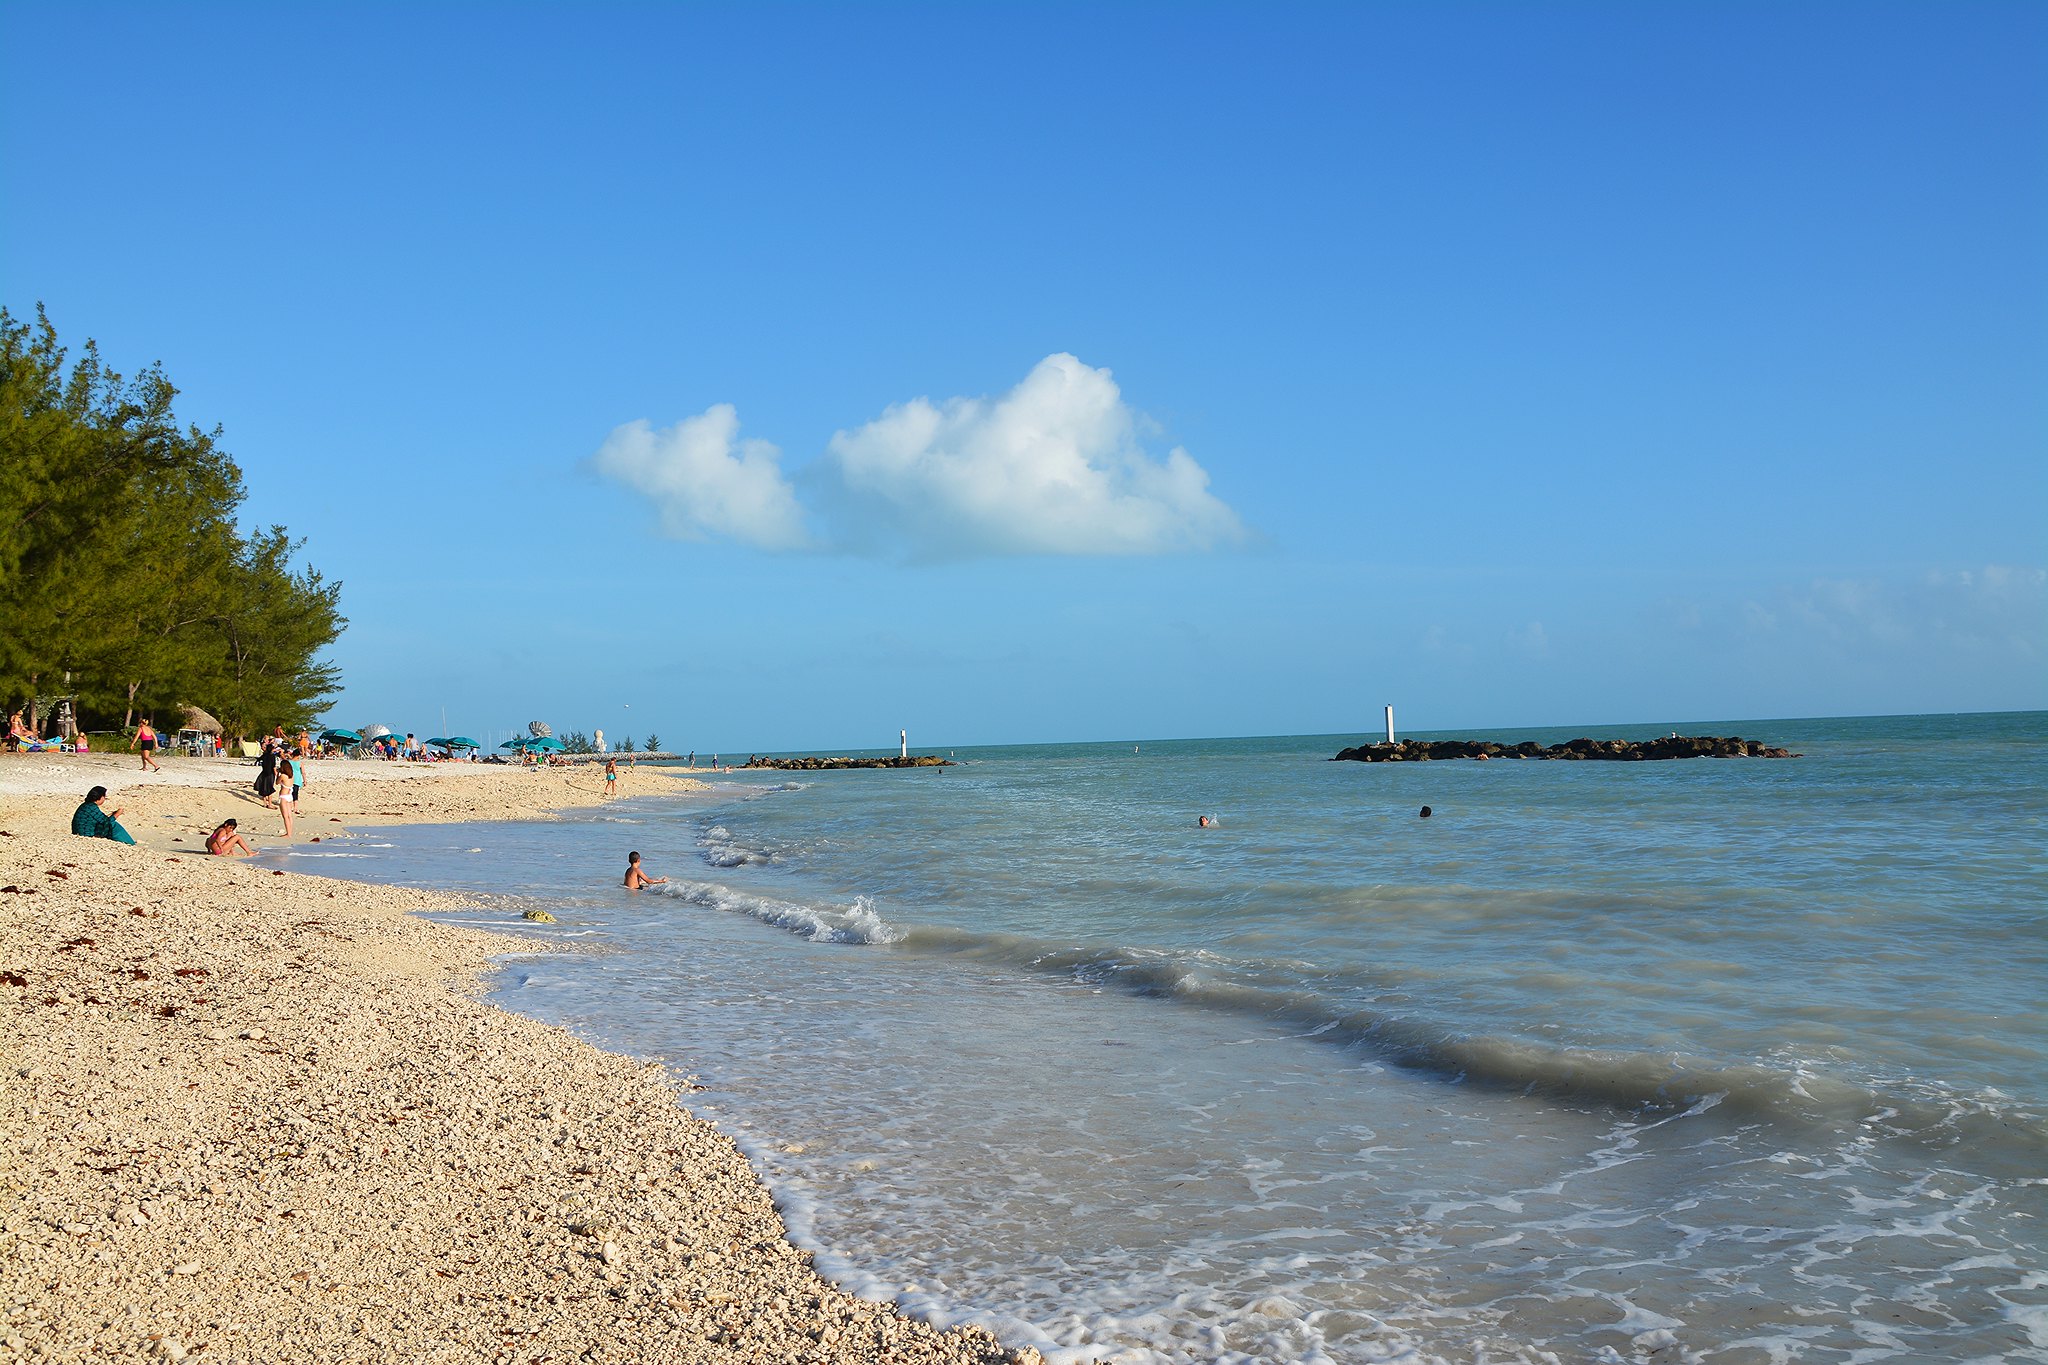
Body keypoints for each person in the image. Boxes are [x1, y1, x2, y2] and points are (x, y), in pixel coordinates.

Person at [71, 787, 137, 844]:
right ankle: (129, 843)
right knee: (113, 825)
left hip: (79, 831)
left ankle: (127, 841)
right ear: (100, 797)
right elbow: (107, 822)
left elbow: (101, 818)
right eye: (104, 797)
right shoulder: (92, 807)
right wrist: (117, 814)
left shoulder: (86, 805)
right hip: (85, 834)